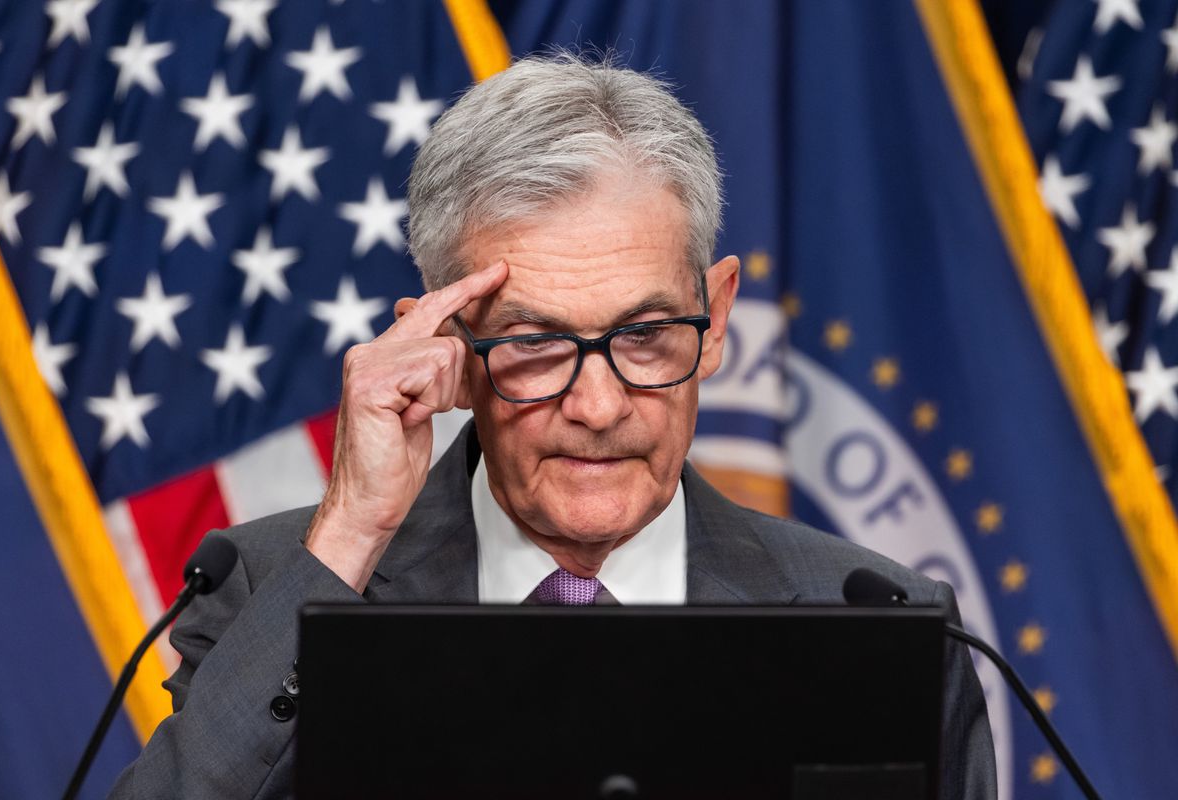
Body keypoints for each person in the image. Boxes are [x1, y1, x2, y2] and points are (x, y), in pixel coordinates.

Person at [111, 53, 996, 799]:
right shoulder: (268, 590)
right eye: (535, 344)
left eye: (645, 336)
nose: (599, 406)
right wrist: (351, 536)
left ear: (716, 317)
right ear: (445, 346)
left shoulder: (882, 630)